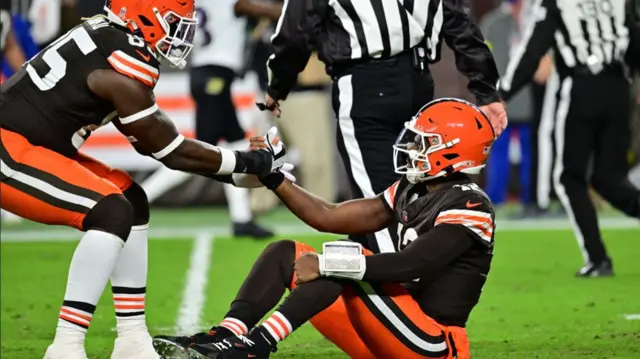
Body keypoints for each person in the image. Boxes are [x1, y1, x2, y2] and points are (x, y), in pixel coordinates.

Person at [0, 0, 287, 358]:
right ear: (143, 14)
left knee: (131, 202)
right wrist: (244, 162)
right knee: (111, 211)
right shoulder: (123, 53)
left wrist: (239, 171)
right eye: (173, 21)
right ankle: (66, 346)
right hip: (9, 150)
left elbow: (154, 144)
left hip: (34, 146)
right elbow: (168, 149)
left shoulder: (108, 38)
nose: (180, 32)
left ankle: (131, 339)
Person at [153, 98, 497, 359]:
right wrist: (274, 178)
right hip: (392, 324)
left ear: (453, 153)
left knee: (344, 259)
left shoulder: (471, 205)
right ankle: (225, 335)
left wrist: (329, 264)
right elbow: (329, 215)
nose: (411, 148)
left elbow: (413, 264)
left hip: (435, 343)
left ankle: (255, 346)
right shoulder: (412, 188)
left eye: (424, 142)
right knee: (287, 252)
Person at [257, 0, 507, 254]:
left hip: (363, 80)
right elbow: (456, 19)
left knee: (375, 204)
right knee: (414, 191)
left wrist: (278, 83)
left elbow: (296, 30)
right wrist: (486, 90)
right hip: (418, 79)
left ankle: (396, 285)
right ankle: (418, 274)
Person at [499, 0, 640, 277]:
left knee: (568, 178)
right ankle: (598, 258)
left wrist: (502, 92)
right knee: (608, 179)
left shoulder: (556, 3)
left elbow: (533, 49)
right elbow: (634, 42)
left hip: (580, 88)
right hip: (617, 90)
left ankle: (598, 259)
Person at [139, 0, 275, 238]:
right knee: (198, 153)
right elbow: (262, 10)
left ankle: (241, 218)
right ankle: (138, 197)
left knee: (234, 148)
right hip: (215, 77)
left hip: (207, 73)